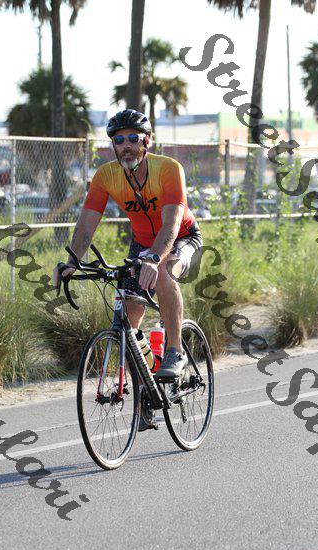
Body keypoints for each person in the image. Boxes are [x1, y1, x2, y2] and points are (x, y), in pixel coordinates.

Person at [53, 108, 203, 380]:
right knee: (127, 318)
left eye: (133, 138)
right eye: (119, 140)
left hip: (181, 237)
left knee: (164, 272)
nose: (126, 146)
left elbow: (171, 224)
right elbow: (86, 225)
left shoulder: (169, 169)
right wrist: (73, 260)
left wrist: (154, 259)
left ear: (147, 141)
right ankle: (146, 382)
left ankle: (175, 350)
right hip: (142, 244)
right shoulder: (105, 176)